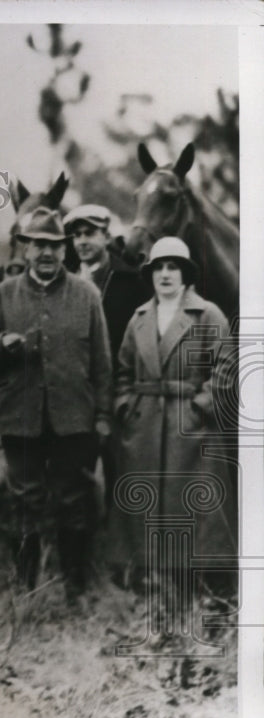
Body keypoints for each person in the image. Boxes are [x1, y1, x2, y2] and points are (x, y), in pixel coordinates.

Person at [0, 207, 113, 603]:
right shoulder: (2, 295)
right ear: (26, 248)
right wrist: (1, 344)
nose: (46, 253)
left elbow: (102, 364)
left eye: (53, 246)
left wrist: (102, 417)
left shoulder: (87, 296)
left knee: (74, 501)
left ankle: (75, 587)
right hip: (19, 418)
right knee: (24, 501)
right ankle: (26, 588)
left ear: (63, 249)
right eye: (38, 245)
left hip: (74, 418)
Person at [110, 237, 235, 591]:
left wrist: (201, 406)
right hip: (145, 425)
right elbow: (122, 372)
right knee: (147, 502)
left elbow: (225, 370)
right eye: (158, 268)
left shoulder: (207, 314)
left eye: (173, 267)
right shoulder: (139, 319)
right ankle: (152, 578)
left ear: (186, 274)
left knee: (196, 505)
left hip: (191, 426)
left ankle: (207, 586)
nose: (165, 275)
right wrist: (125, 406)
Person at [63, 203, 151, 515]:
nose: (83, 241)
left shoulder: (131, 281)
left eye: (90, 234)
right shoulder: (65, 282)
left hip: (118, 393)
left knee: (120, 470)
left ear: (106, 235)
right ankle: (84, 542)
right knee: (76, 472)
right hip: (76, 395)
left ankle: (119, 546)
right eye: (77, 235)